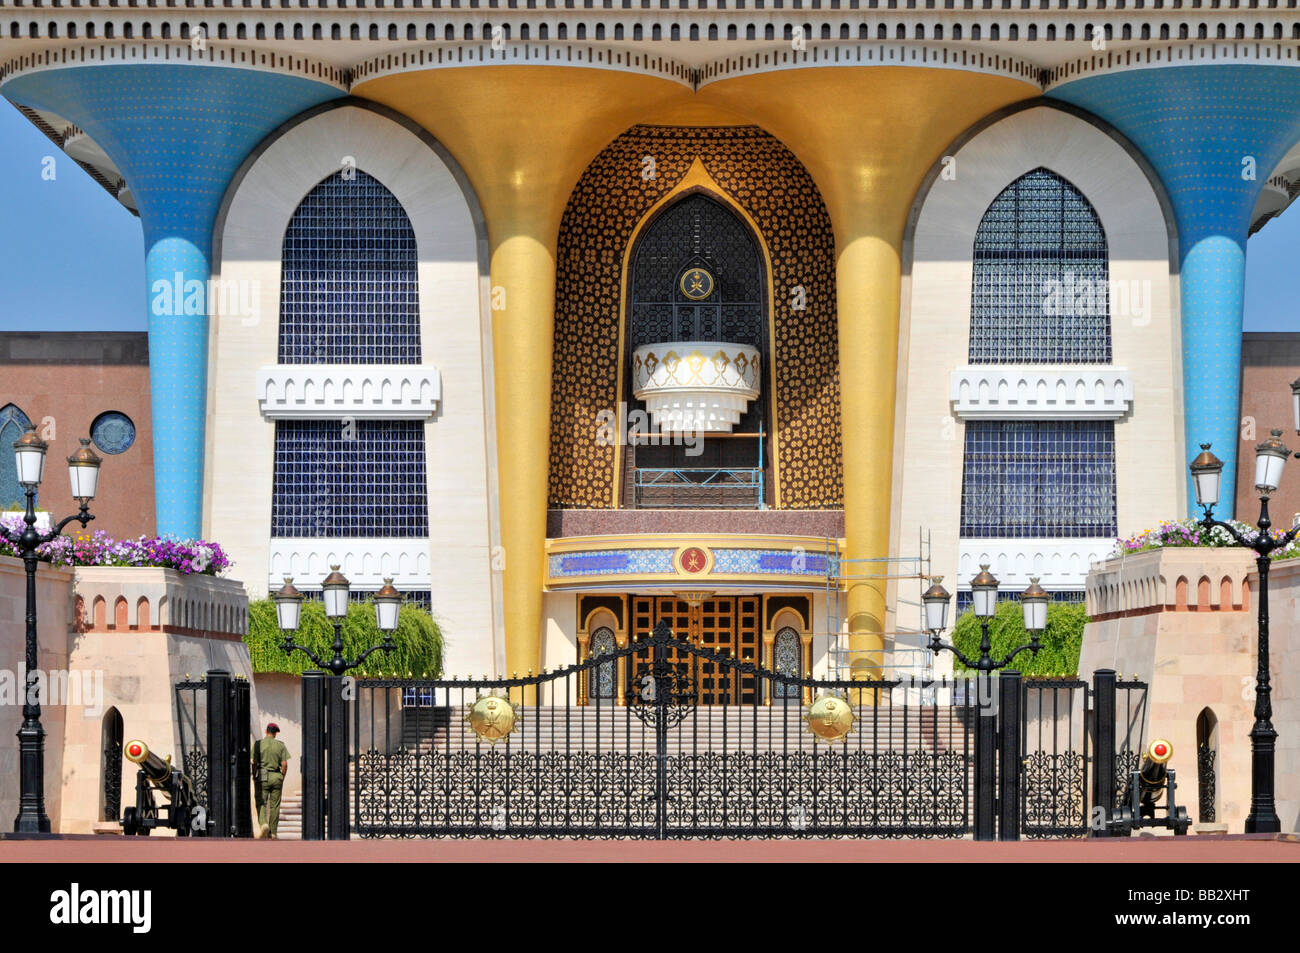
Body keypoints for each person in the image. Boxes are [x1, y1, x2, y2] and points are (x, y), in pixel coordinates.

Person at [252, 723, 289, 839]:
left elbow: (254, 763)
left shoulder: (259, 744)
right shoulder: (280, 745)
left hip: (263, 773)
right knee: (275, 806)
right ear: (275, 733)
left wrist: (254, 775)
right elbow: (284, 764)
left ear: (265, 731)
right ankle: (273, 832)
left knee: (261, 801)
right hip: (276, 775)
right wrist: (282, 777)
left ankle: (263, 824)